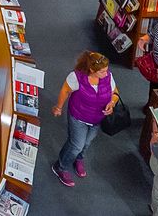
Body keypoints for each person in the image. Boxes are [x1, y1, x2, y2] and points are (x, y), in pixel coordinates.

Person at [50, 50, 119, 187]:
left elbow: (115, 93)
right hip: (78, 117)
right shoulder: (76, 77)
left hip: (97, 119)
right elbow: (65, 90)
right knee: (76, 145)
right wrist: (59, 107)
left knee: (87, 143)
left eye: (107, 70)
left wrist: (112, 103)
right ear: (92, 69)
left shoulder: (108, 76)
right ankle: (60, 167)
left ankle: (79, 159)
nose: (106, 74)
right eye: (102, 72)